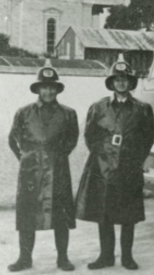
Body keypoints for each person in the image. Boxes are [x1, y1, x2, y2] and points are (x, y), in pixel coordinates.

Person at [75, 56, 154, 270]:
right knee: (104, 213)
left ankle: (127, 256)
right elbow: (90, 135)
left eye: (125, 79)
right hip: (104, 170)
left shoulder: (142, 108)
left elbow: (147, 138)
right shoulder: (99, 107)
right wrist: (103, 156)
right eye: (117, 79)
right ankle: (106, 256)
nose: (121, 82)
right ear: (111, 82)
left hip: (129, 168)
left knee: (128, 215)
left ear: (131, 82)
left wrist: (135, 159)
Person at [7, 59, 79, 272]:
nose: (48, 91)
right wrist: (26, 159)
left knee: (61, 214)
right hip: (30, 172)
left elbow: (72, 139)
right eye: (44, 87)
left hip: (58, 170)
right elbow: (13, 139)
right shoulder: (24, 112)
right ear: (38, 88)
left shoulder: (68, 113)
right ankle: (25, 258)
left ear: (57, 89)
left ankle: (63, 258)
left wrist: (56, 156)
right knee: (27, 214)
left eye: (52, 87)